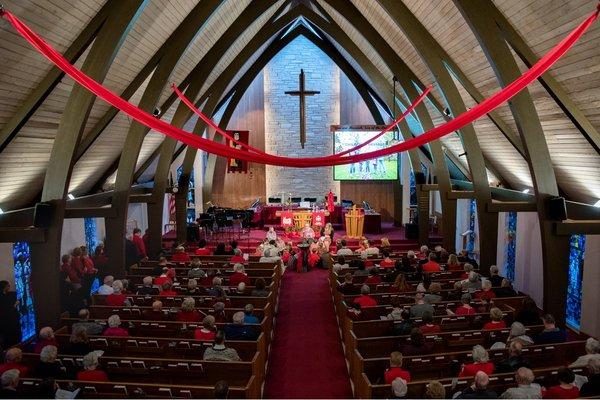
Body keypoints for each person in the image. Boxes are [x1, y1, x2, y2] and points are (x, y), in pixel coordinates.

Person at [0, 281, 21, 347]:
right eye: (8, 286)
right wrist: (15, 305)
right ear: (4, 287)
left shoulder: (10, 294)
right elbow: (5, 310)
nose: (9, 287)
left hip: (14, 320)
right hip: (7, 322)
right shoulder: (1, 298)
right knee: (10, 338)